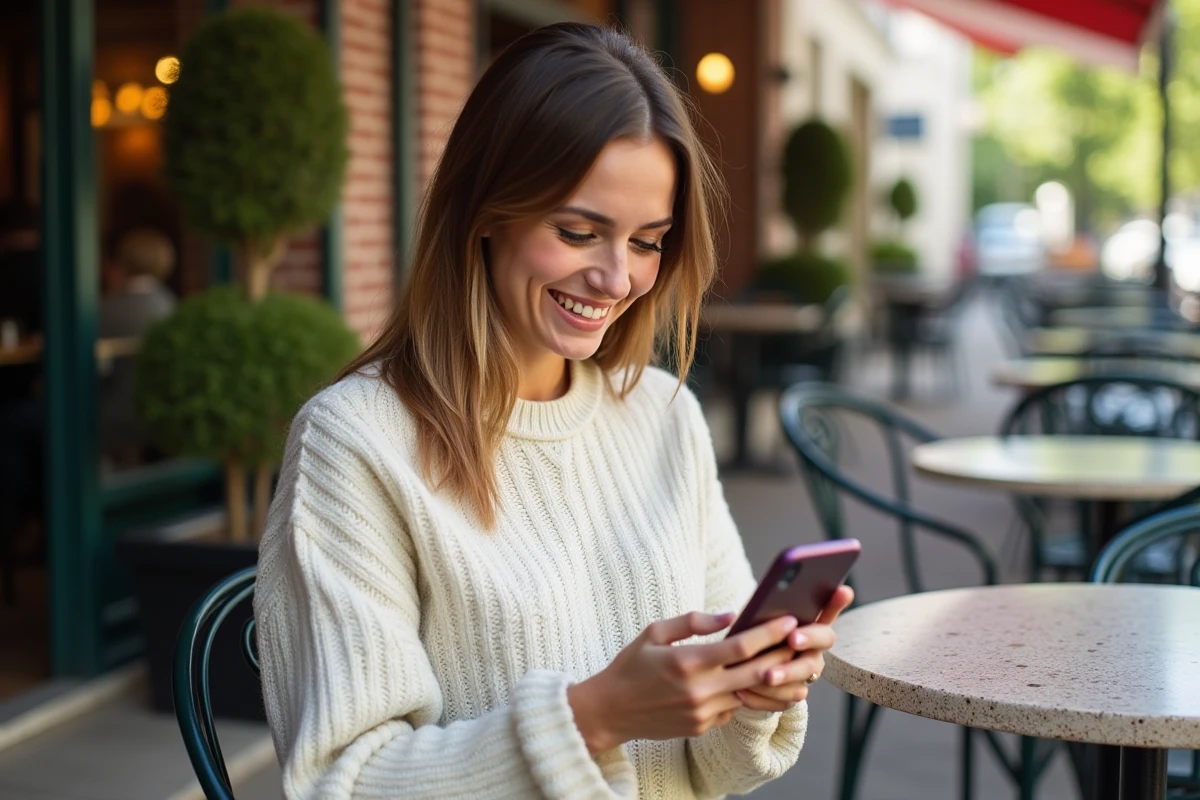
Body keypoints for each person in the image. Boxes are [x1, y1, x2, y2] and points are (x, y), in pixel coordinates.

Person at [255, 22, 853, 799]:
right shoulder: (357, 443)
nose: (616, 278)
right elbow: (345, 782)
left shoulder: (663, 417)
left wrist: (750, 690)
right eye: (578, 232)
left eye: (648, 242)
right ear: (485, 210)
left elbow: (716, 771)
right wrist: (593, 719)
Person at [97, 227, 177, 468]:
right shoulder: (171, 307)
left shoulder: (104, 311)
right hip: (160, 417)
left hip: (109, 419)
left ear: (121, 261)